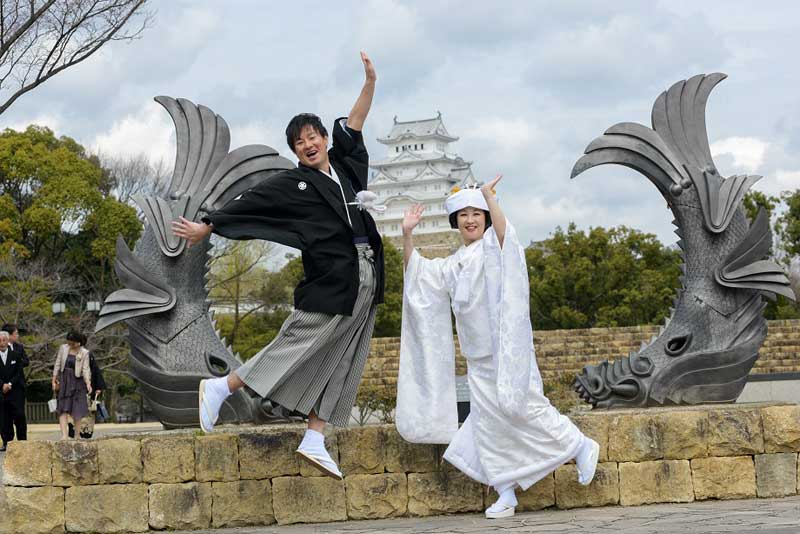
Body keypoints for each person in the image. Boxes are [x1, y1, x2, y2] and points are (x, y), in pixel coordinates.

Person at [172, 51, 383, 480]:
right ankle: (223, 386)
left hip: (366, 274)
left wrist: (369, 83)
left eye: (313, 136)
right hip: (331, 279)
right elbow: (251, 202)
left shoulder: (347, 168)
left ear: (324, 138)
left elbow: (356, 122)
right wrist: (208, 226)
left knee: (344, 356)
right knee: (296, 342)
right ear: (295, 150)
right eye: (299, 142)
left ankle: (315, 437)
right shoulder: (293, 183)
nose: (308, 144)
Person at [396, 177, 600, 519]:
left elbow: (507, 238)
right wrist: (406, 234)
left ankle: (579, 444)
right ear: (456, 221)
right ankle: (505, 491)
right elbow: (418, 274)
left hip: (505, 351)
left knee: (526, 407)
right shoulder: (454, 263)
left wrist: (490, 198)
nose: (470, 220)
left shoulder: (492, 246)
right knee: (488, 427)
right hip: (476, 359)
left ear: (486, 218)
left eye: (476, 214)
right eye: (464, 215)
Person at [52, 331, 92, 440]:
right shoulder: (63, 348)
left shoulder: (84, 352)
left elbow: (86, 369)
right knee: (62, 408)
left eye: (72, 343)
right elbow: (58, 363)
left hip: (78, 382)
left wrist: (88, 383)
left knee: (77, 409)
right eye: (69, 342)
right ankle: (64, 435)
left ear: (78, 342)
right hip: (64, 380)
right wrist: (54, 378)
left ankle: (77, 435)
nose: (70, 345)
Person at [1, 323, 28, 446]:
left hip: (16, 387)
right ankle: (7, 442)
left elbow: (20, 369)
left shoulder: (17, 351)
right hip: (2, 390)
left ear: (7, 340)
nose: (2, 343)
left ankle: (23, 442)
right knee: (4, 417)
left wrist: (10, 383)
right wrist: (3, 385)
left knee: (19, 415)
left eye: (4, 340)